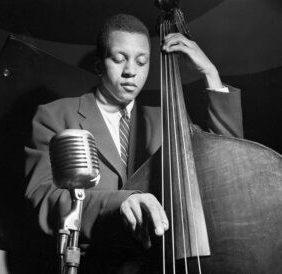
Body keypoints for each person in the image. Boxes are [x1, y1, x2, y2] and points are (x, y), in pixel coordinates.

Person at [25, 13, 243, 273]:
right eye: (119, 59)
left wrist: (211, 74)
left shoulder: (168, 121)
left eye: (142, 62)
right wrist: (119, 204)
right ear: (98, 65)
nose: (130, 71)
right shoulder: (55, 115)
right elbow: (43, 200)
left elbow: (232, 165)